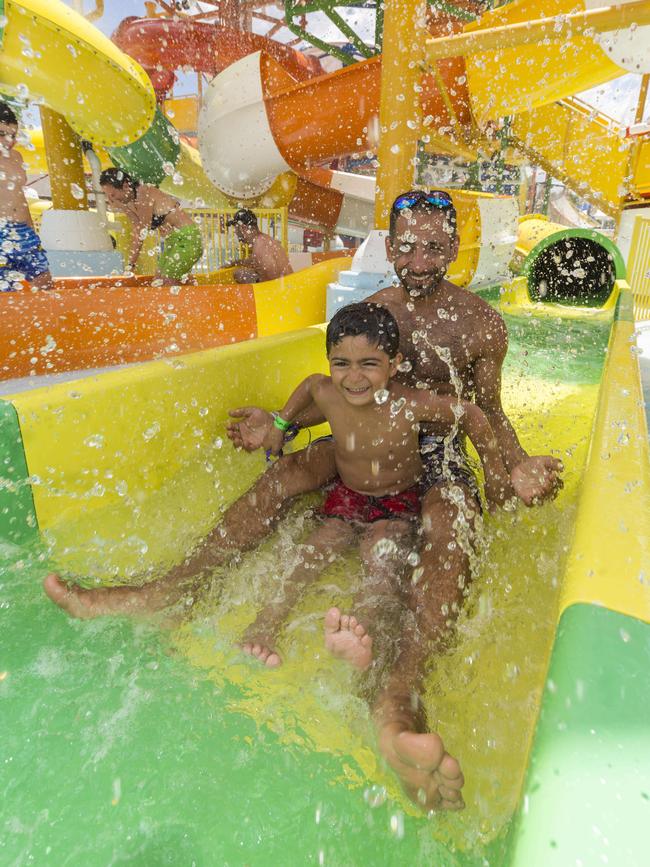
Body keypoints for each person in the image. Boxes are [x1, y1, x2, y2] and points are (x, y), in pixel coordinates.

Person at [45, 189, 563, 811]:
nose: (419, 256)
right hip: (366, 442)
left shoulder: (482, 323)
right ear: (388, 242)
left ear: (455, 246)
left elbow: (489, 413)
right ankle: (166, 588)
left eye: (433, 244)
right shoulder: (373, 310)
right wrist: (280, 427)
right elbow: (336, 395)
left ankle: (398, 701)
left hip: (439, 452)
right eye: (405, 242)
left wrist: (514, 472)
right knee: (284, 475)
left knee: (450, 526)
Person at [241, 302, 511, 677]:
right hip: (347, 496)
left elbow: (472, 414)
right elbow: (308, 386)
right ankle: (266, 622)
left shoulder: (410, 405)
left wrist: (494, 473)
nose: (354, 377)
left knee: (382, 562)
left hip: (397, 503)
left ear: (394, 363)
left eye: (368, 363)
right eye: (341, 364)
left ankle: (359, 632)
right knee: (311, 551)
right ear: (329, 360)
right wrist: (280, 424)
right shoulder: (327, 391)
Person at [99, 168, 203, 283]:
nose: (110, 199)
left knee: (167, 280)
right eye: (107, 195)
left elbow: (141, 231)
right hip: (173, 242)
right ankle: (197, 291)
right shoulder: (131, 200)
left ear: (125, 186)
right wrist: (123, 207)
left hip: (188, 240)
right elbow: (135, 223)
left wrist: (130, 266)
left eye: (112, 194)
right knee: (158, 280)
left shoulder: (143, 193)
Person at [0, 101, 54, 292]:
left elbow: (20, 198)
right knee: (6, 290)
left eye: (13, 135)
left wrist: (32, 231)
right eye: (2, 134)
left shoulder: (17, 157)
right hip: (1, 231)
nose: (8, 140)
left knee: (45, 284)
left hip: (23, 230)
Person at [226, 208, 293, 283]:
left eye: (236, 229)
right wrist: (235, 263)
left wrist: (257, 285)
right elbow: (254, 261)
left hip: (278, 289)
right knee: (239, 273)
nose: (235, 233)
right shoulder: (263, 240)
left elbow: (272, 280)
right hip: (287, 284)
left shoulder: (260, 246)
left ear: (243, 228)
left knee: (239, 274)